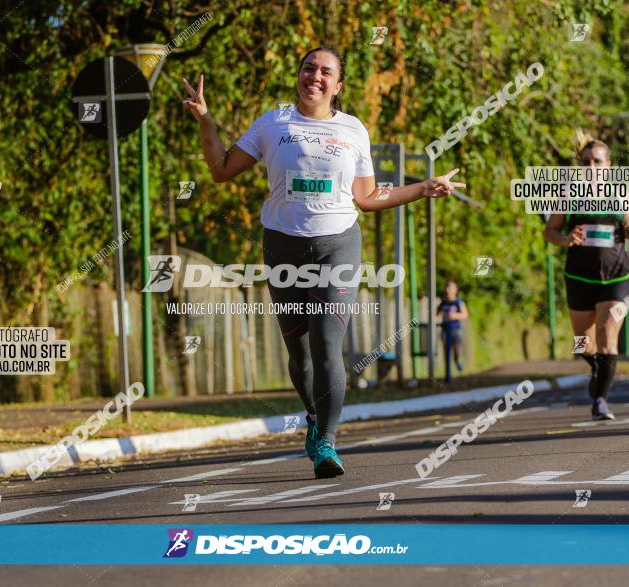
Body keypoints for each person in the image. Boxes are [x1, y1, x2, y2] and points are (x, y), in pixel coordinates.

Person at [182, 47, 465, 478]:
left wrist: (422, 187)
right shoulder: (273, 123)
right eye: (309, 68)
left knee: (327, 343)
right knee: (299, 352)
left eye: (325, 72)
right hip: (282, 246)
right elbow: (221, 170)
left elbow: (368, 198)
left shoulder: (353, 130)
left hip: (338, 245)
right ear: (299, 75)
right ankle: (314, 416)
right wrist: (205, 119)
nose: (315, 76)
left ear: (338, 85)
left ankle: (328, 444)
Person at [544, 139, 629, 420]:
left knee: (608, 335)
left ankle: (601, 400)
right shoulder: (568, 194)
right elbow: (550, 232)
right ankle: (597, 366)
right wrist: (566, 239)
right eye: (586, 162)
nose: (591, 166)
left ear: (608, 166)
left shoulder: (620, 194)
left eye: (597, 161)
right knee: (581, 342)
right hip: (579, 276)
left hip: (617, 274)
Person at [437, 281, 469, 378]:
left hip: (456, 330)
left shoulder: (458, 302)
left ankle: (457, 360)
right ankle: (448, 373)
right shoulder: (443, 303)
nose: (448, 290)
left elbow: (465, 314)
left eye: (450, 288)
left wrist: (455, 315)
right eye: (447, 287)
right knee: (446, 350)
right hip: (445, 330)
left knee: (456, 350)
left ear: (455, 290)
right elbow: (436, 315)